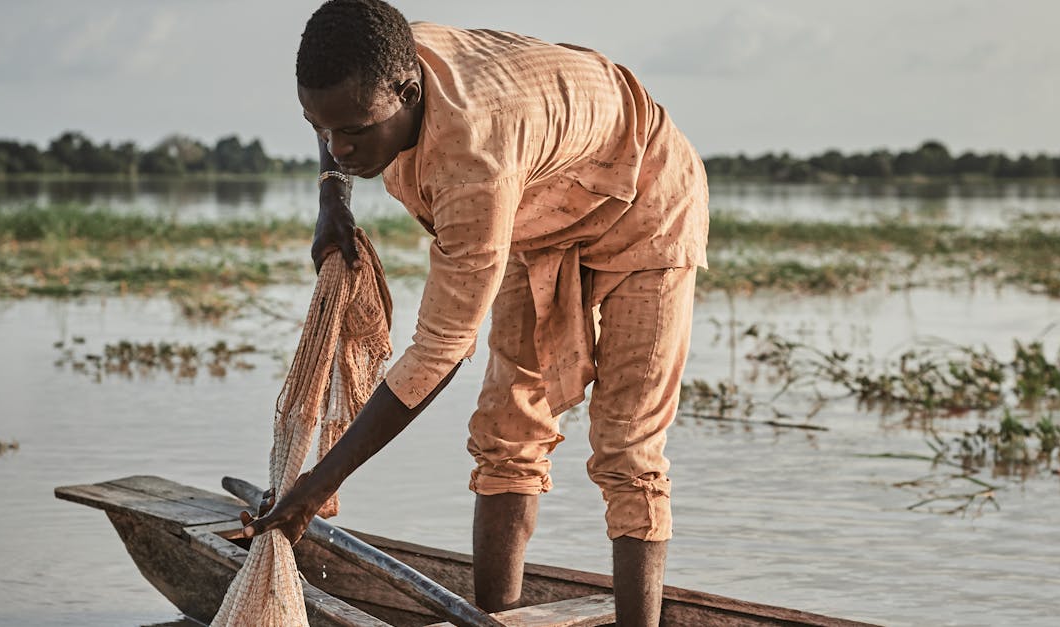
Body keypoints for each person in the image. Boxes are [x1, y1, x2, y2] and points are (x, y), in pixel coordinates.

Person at [236, 1, 708, 624]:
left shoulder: (473, 166)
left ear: (407, 94)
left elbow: (438, 353)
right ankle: (497, 618)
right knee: (506, 430)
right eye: (322, 129)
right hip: (538, 213)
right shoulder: (376, 62)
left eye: (355, 132)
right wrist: (332, 199)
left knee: (628, 449)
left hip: (647, 203)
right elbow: (335, 111)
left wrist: (314, 489)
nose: (338, 146)